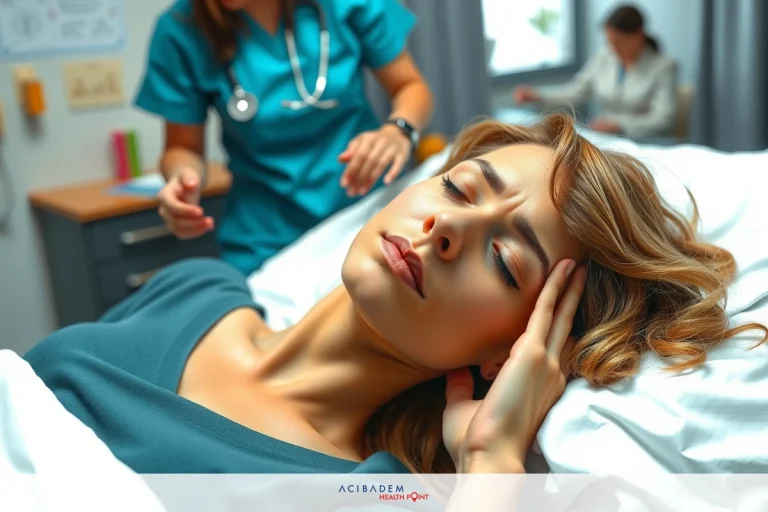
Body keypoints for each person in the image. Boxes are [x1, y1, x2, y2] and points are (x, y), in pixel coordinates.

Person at [23, 114, 767, 476]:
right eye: (459, 187)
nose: (446, 228)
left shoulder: (371, 493)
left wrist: (495, 456)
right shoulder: (197, 285)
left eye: (506, 262)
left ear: (512, 351)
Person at [135, 0, 434, 276]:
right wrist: (183, 179)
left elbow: (411, 86)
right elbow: (182, 147)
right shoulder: (180, 29)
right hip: (264, 238)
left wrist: (399, 130)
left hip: (363, 216)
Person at [514, 4, 677, 141]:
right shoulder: (603, 57)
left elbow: (662, 119)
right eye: (610, 42)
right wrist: (538, 96)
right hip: (607, 140)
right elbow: (575, 93)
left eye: (620, 42)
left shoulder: (664, 66)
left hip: (644, 141)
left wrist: (618, 125)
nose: (614, 48)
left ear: (639, 34)